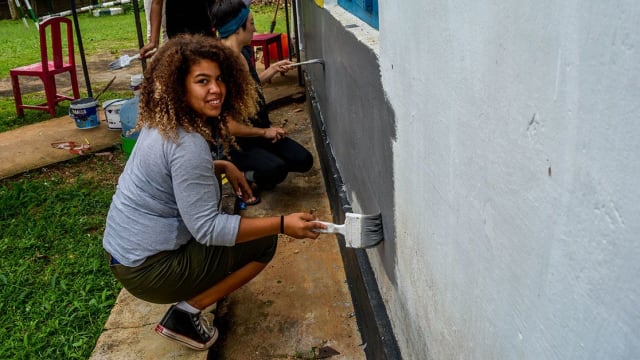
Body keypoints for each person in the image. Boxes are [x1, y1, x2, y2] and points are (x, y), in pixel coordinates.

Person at [103, 34, 324, 351]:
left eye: (219, 79)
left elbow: (169, 177)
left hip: (126, 255)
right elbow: (207, 229)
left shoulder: (162, 122)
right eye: (202, 81)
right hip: (148, 271)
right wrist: (282, 223)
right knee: (263, 242)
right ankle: (185, 313)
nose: (216, 89)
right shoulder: (187, 143)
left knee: (239, 226)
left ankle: (186, 298)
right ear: (179, 85)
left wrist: (221, 165)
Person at [210, 0, 314, 200]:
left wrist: (272, 70)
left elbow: (252, 85)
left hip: (258, 131)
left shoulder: (244, 51)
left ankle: (260, 164)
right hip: (237, 142)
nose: (255, 28)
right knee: (276, 169)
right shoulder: (222, 66)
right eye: (251, 23)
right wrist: (265, 132)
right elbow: (227, 126)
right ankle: (242, 174)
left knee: (303, 160)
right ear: (237, 29)